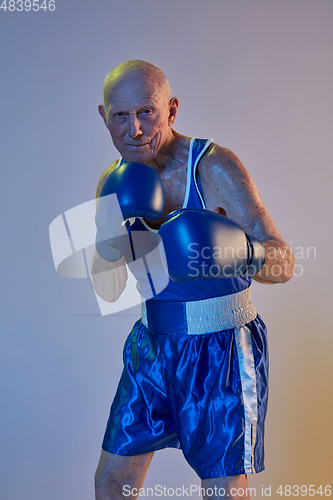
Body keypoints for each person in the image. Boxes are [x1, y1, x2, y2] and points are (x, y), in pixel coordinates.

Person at [91, 60, 294, 500]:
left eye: (147, 112)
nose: (136, 130)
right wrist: (110, 243)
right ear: (104, 117)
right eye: (121, 116)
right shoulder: (112, 181)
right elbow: (107, 289)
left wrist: (238, 252)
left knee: (222, 491)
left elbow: (285, 264)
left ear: (172, 110)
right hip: (152, 344)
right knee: (111, 484)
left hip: (220, 350)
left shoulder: (214, 167)